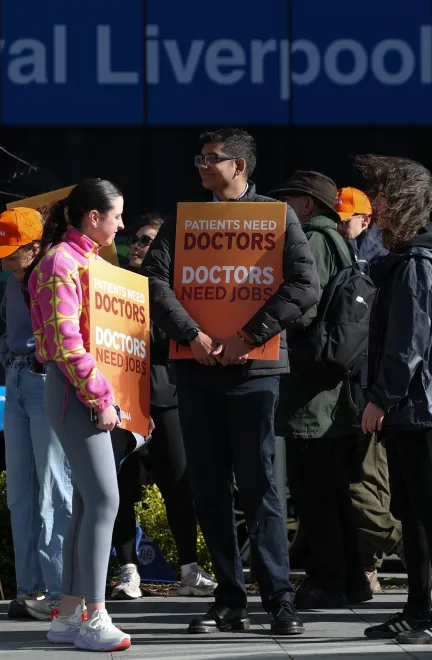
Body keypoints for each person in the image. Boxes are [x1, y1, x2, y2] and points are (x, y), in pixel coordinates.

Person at [140, 128, 319, 636]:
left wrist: (250, 334)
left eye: (210, 158)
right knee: (210, 489)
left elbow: (305, 284)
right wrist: (192, 334)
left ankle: (279, 599)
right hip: (195, 370)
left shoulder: (276, 217)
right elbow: (155, 280)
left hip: (253, 370)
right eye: (198, 156)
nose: (200, 164)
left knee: (260, 485)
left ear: (239, 166)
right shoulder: (184, 219)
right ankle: (229, 598)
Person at [355, 155, 432, 645]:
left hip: (419, 406)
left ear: (401, 202)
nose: (374, 204)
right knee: (411, 509)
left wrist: (380, 398)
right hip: (410, 405)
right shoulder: (409, 256)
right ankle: (418, 608)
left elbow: (409, 342)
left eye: (381, 195)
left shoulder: (420, 262)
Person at [25, 179, 131, 652]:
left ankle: (69, 614)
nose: (122, 224)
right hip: (74, 392)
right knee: (104, 501)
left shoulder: (83, 260)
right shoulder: (59, 263)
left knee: (92, 503)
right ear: (93, 217)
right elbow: (68, 345)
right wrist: (101, 398)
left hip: (80, 392)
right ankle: (94, 616)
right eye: (116, 215)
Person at [270, 171, 368, 609]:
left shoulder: (311, 238)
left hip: (311, 388)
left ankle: (328, 580)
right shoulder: (338, 240)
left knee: (314, 492)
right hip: (331, 387)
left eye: (288, 199)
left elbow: (303, 306)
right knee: (332, 489)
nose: (282, 207)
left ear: (308, 205)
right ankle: (352, 579)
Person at [110, 213, 216, 600]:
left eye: (148, 240)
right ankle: (127, 571)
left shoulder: (174, 290)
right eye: (135, 239)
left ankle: (189, 568)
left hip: (166, 398)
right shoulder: (114, 285)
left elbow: (171, 340)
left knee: (178, 484)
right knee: (121, 488)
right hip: (122, 401)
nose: (138, 246)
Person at [0, 208, 73, 621]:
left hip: (46, 378)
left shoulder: (53, 274)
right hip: (17, 379)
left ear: (34, 248)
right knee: (20, 492)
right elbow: (9, 329)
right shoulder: (15, 280)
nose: (2, 259)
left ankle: (59, 592)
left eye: (9, 250)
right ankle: (30, 588)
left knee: (54, 486)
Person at [333, 186, 404, 591]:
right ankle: (369, 565)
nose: (344, 226)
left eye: (349, 219)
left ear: (366, 218)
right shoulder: (347, 249)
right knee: (369, 476)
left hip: (367, 380)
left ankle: (391, 547)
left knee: (366, 476)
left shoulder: (377, 254)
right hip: (357, 378)